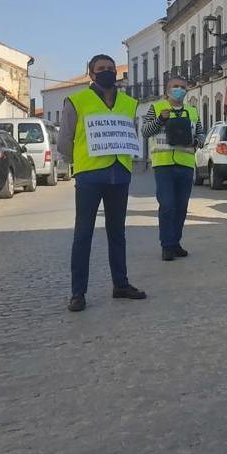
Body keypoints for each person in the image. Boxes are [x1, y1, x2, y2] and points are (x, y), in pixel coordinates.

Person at [57, 54, 147, 312]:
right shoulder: (77, 101)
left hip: (119, 174)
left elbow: (130, 133)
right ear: (91, 74)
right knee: (83, 234)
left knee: (117, 233)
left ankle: (121, 284)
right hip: (89, 177)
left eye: (110, 68)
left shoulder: (129, 103)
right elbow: (64, 141)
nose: (107, 72)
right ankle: (78, 293)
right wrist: (82, 161)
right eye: (101, 69)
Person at [142, 76, 205, 260]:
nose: (179, 90)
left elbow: (201, 135)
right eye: (175, 87)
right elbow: (145, 132)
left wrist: (195, 141)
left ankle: (175, 242)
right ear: (167, 90)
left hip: (185, 165)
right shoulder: (156, 108)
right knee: (167, 205)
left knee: (181, 207)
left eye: (183, 87)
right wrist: (160, 120)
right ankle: (167, 245)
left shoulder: (192, 111)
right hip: (164, 165)